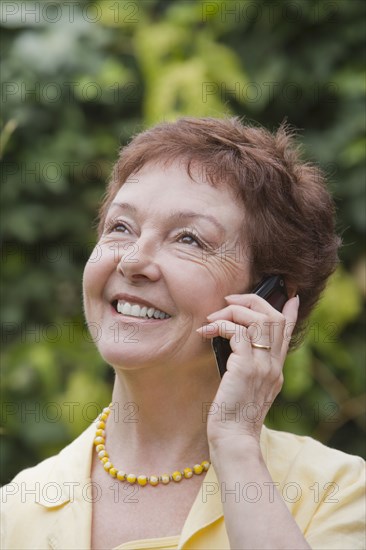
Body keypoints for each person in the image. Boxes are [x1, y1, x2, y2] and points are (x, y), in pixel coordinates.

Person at [1, 117, 364, 550]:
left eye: (189, 239)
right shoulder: (14, 512)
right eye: (120, 227)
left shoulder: (336, 493)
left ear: (267, 298)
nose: (133, 260)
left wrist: (235, 443)